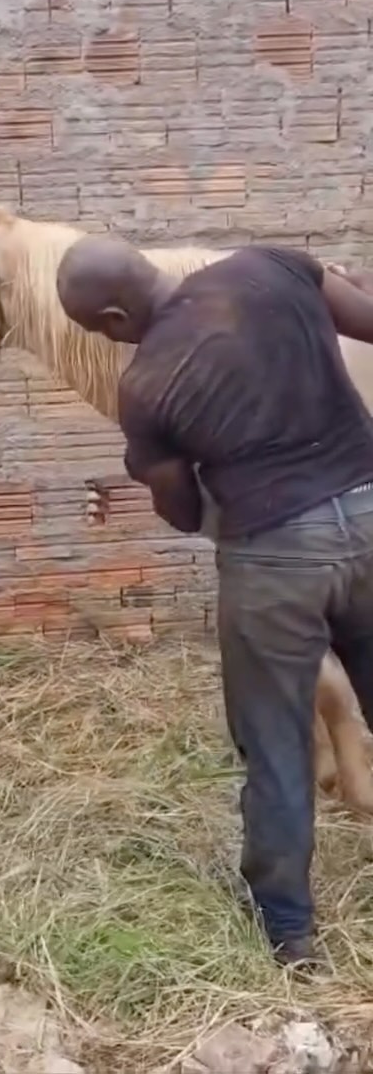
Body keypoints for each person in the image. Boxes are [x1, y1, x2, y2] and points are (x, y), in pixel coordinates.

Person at [57, 236, 373, 968]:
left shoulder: (146, 384)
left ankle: (290, 930)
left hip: (274, 555)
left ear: (112, 317)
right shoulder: (273, 265)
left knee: (275, 740)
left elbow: (179, 508)